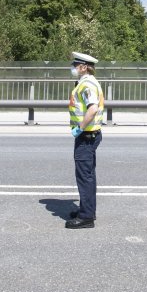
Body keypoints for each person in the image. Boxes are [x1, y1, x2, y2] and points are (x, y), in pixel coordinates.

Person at [65, 51, 104, 229]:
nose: (73, 68)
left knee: (84, 176)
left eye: (75, 65)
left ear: (84, 67)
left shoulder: (87, 84)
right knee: (88, 175)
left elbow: (93, 108)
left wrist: (79, 128)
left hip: (86, 135)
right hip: (90, 135)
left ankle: (86, 217)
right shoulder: (86, 82)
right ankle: (87, 209)